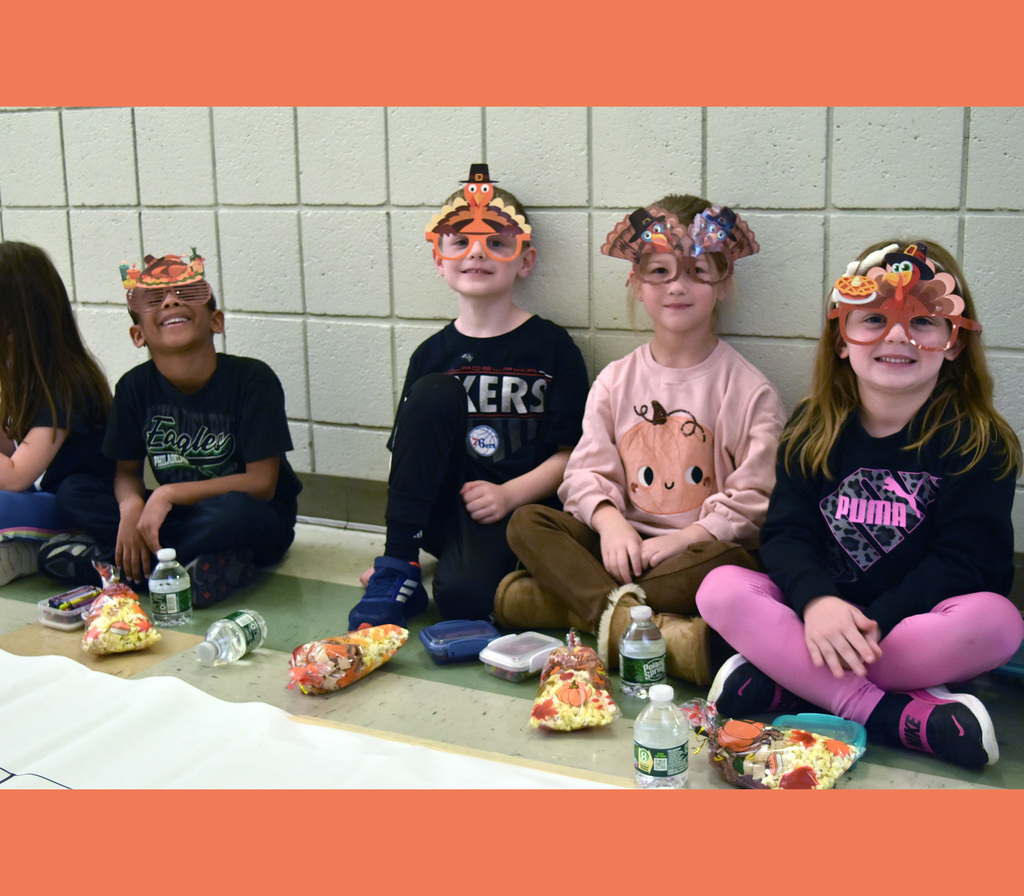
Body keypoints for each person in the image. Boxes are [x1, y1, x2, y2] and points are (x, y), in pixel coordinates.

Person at [697, 240, 1023, 769]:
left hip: (908, 632)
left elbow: (971, 561)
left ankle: (791, 687)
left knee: (1000, 623)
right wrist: (817, 603)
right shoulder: (811, 426)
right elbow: (786, 535)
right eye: (873, 319)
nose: (897, 334)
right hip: (820, 621)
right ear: (842, 340)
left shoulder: (978, 440)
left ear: (954, 341)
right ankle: (887, 715)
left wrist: (876, 622)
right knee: (720, 589)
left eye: (923, 321)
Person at [498, 195, 786, 686]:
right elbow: (584, 474)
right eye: (660, 271)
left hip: (694, 553)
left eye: (697, 271)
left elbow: (755, 502)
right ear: (636, 282)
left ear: (724, 283)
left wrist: (685, 538)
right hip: (620, 547)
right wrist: (610, 525)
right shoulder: (615, 380)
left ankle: (573, 607)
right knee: (527, 522)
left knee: (732, 569)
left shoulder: (749, 390)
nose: (678, 286)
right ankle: (644, 627)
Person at [347, 164, 589, 628]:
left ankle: (451, 569)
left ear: (525, 260)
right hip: (443, 510)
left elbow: (572, 455)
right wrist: (404, 547)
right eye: (460, 241)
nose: (477, 252)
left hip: (514, 509)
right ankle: (398, 566)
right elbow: (409, 463)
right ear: (440, 260)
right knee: (436, 391)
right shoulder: (431, 355)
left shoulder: (551, 347)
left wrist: (508, 494)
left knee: (463, 601)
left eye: (497, 242)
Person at [43, 248, 302, 605]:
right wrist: (131, 507)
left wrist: (167, 494)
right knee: (73, 491)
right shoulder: (134, 387)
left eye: (188, 294)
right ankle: (193, 566)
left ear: (216, 321)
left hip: (251, 516)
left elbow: (261, 484)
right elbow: (127, 472)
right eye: (154, 299)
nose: (170, 302)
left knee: (232, 512)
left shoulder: (253, 379)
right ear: (139, 335)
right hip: (177, 518)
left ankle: (121, 568)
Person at [0, 241, 114, 586]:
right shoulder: (24, 372)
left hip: (78, 508)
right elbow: (12, 457)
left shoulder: (66, 382)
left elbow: (16, 476)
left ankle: (35, 552)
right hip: (50, 498)